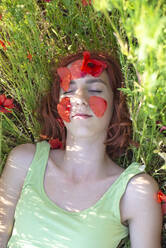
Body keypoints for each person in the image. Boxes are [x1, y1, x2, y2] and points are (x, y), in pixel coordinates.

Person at [0, 51, 163, 248]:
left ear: (117, 104)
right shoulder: (24, 162)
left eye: (95, 90)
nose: (79, 98)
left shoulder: (135, 191)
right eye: (68, 90)